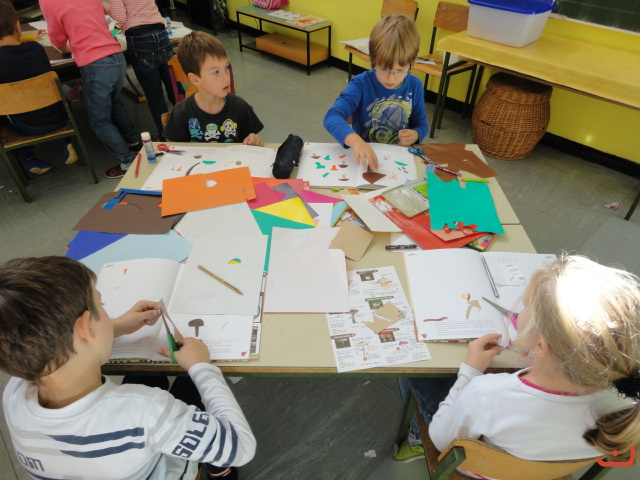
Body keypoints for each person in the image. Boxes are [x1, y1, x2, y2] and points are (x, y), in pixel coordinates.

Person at [0, 256, 256, 480]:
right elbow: (240, 446)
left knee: (143, 372)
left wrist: (114, 327)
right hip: (166, 466)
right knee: (190, 383)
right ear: (86, 327)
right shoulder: (147, 413)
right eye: (102, 307)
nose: (106, 313)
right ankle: (219, 471)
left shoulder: (14, 392)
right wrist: (201, 367)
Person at [395, 255, 640, 474]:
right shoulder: (628, 403)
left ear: (541, 345)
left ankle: (415, 440)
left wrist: (469, 372)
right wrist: (541, 359)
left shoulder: (486, 393)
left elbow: (441, 439)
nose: (518, 312)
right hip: (542, 471)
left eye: (524, 306)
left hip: (481, 469)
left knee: (420, 372)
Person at [39, 0, 142, 180]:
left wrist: (64, 48)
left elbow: (58, 39)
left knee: (99, 121)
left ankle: (128, 162)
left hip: (95, 63)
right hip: (116, 56)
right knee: (114, 102)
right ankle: (134, 143)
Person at [323, 14, 428, 171]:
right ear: (373, 60)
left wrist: (416, 134)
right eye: (383, 69)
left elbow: (421, 124)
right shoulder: (360, 84)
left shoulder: (415, 85)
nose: (391, 78)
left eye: (400, 70)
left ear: (411, 64)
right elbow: (332, 117)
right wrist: (355, 141)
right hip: (366, 158)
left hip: (399, 160)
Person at [0, 0, 77, 174]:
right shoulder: (36, 48)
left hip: (24, 125)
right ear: (18, 26)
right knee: (62, 98)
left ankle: (29, 159)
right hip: (59, 117)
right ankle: (67, 142)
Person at [163, 31, 264, 146]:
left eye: (226, 67)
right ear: (195, 79)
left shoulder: (240, 107)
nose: (226, 78)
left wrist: (254, 140)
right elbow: (175, 150)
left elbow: (252, 141)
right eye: (216, 72)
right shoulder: (181, 112)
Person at [103, 0, 177, 141]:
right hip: (161, 32)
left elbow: (120, 18)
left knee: (155, 94)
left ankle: (166, 137)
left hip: (140, 38)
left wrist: (105, 6)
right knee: (174, 86)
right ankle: (191, 128)